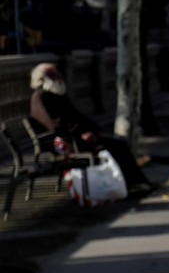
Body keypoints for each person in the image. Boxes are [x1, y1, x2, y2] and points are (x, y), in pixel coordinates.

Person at [28, 63, 153, 195]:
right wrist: (80, 134)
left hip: (76, 137)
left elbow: (78, 117)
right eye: (53, 75)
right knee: (116, 147)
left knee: (119, 145)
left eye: (58, 74)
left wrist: (95, 129)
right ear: (41, 79)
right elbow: (53, 125)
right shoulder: (39, 97)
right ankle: (132, 184)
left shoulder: (57, 95)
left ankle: (136, 183)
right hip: (64, 143)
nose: (59, 78)